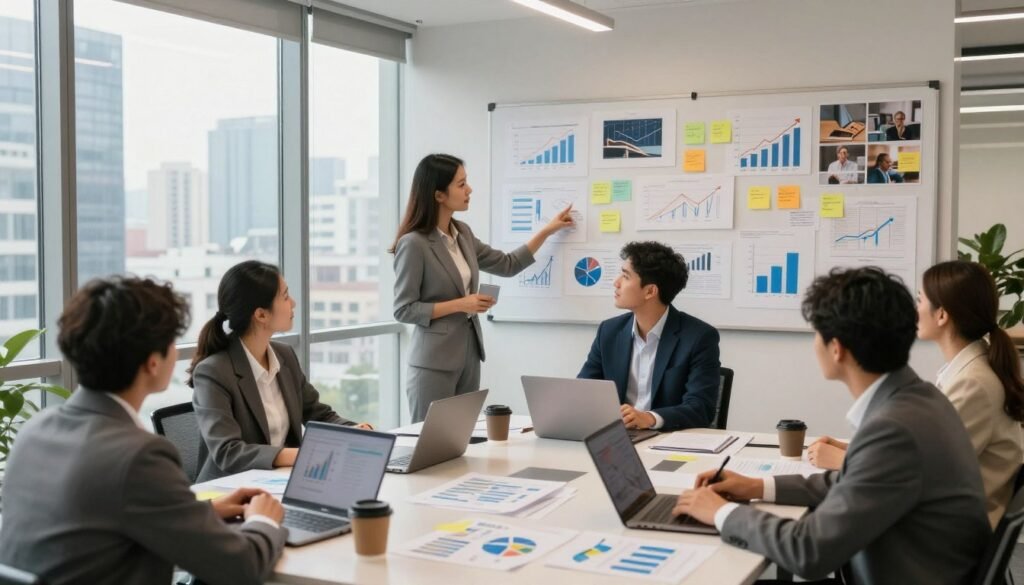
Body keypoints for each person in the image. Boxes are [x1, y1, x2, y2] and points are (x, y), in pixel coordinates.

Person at [672, 267, 989, 583]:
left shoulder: (895, 429)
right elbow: (854, 481)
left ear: (837, 349)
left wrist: (720, 513)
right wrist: (757, 487)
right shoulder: (919, 398)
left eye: (816, 334)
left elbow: (808, 551)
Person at [0, 277, 287, 585]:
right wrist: (263, 520)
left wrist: (202, 511)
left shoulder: (35, 431)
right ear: (153, 362)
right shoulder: (139, 455)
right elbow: (240, 568)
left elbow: (100, 520)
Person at [809, 261, 1024, 528]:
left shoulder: (973, 384)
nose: (914, 310)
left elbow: (920, 471)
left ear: (942, 315)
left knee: (841, 523)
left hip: (952, 532)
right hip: (954, 515)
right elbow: (921, 452)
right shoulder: (968, 371)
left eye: (920, 300)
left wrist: (840, 460)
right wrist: (856, 450)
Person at [392, 153, 574, 421]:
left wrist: (547, 230)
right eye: (461, 184)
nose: (469, 190)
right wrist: (462, 304)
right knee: (429, 444)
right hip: (432, 364)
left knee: (459, 438)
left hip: (468, 356)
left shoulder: (462, 233)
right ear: (439, 195)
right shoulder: (414, 243)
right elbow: (404, 310)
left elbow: (508, 264)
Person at [190, 260, 371, 482]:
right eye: (285, 296)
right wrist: (303, 455)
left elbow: (317, 414)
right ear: (261, 315)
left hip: (282, 480)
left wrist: (354, 432)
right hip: (230, 491)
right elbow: (228, 452)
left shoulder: (284, 356)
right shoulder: (213, 372)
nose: (293, 303)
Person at [577, 241, 720, 431]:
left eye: (626, 276)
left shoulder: (699, 337)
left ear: (650, 291)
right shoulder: (609, 331)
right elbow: (583, 391)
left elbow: (700, 408)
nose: (616, 282)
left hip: (668, 439)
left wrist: (649, 418)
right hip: (617, 438)